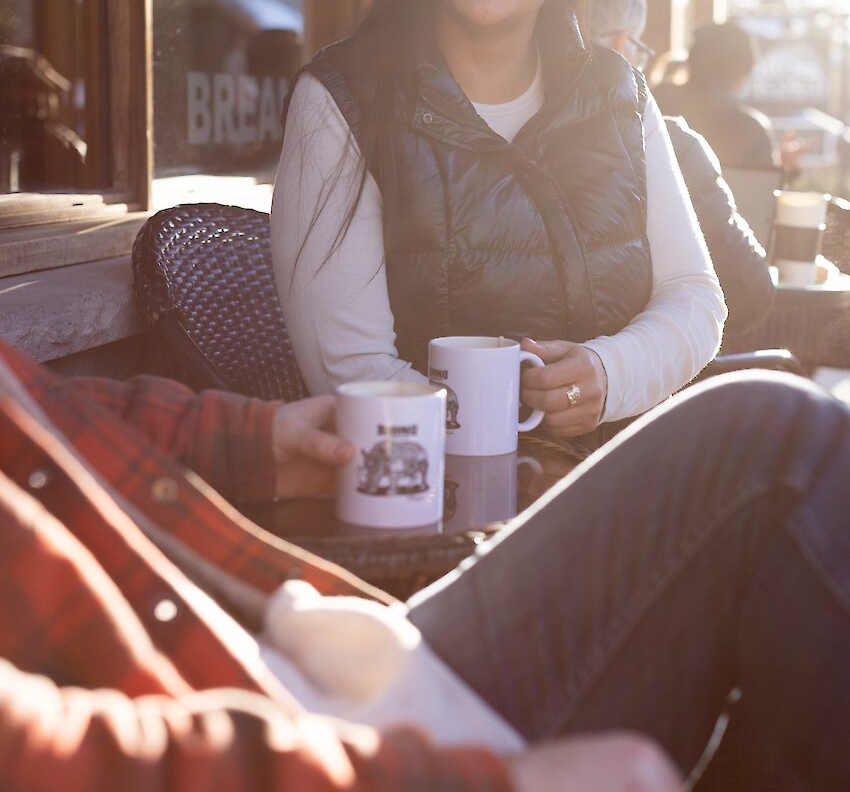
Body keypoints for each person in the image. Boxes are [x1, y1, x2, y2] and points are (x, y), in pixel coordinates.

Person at [3, 335, 850, 789]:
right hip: (307, 746)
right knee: (782, 460)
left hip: (301, 656)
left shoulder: (625, 111)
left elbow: (45, 410)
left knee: (769, 434)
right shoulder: (346, 115)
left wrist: (251, 438)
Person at [272, 0, 725, 445]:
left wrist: (606, 373)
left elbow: (695, 297)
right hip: (437, 498)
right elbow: (350, 371)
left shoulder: (616, 91)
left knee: (781, 420)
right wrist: (506, 440)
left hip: (615, 469)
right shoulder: (341, 100)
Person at [587, 0, 775, 335]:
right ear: (621, 45)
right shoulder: (668, 144)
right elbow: (748, 294)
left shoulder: (466, 135)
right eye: (638, 45)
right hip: (652, 378)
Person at [652, 21, 799, 173]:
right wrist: (784, 169)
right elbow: (760, 193)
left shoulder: (654, 103)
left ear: (691, 62)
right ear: (742, 73)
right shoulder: (749, 129)